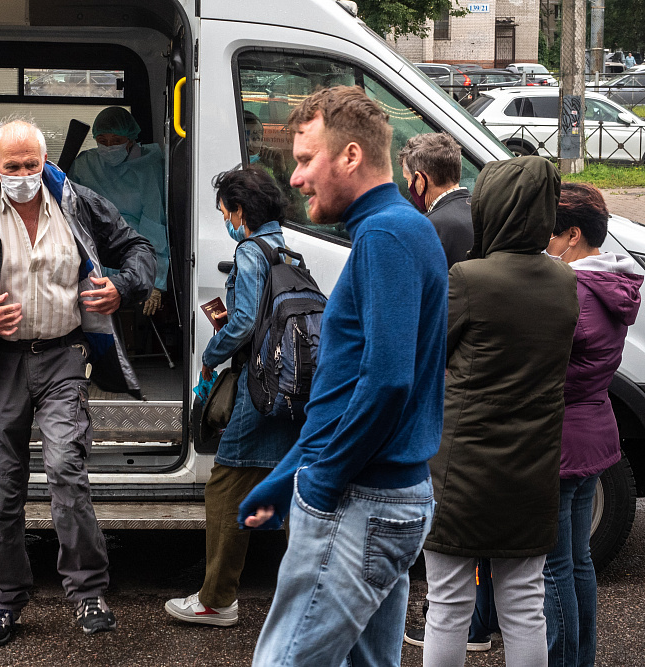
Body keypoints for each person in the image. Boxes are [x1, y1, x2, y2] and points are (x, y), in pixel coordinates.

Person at [0, 118, 155, 647]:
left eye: (31, 164)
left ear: (45, 162)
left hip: (63, 356)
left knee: (67, 468)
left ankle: (88, 593)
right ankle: (4, 602)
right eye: (12, 166)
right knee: (3, 488)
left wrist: (122, 287)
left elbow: (138, 250)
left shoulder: (79, 203)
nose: (22, 174)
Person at [238, 85, 449, 666]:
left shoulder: (384, 235)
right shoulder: (397, 229)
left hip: (361, 499)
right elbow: (343, 389)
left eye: (306, 160)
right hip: (379, 493)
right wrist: (286, 479)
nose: (297, 179)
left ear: (351, 156)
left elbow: (386, 382)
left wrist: (320, 484)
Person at [421, 156, 578, 667]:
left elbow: (428, 354)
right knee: (525, 604)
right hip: (531, 466)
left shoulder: (469, 277)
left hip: (463, 467)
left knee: (447, 602)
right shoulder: (564, 282)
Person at [164, 167, 308, 627]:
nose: (225, 219)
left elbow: (244, 322)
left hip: (259, 385)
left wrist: (210, 355)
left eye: (225, 210)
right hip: (290, 384)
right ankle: (308, 597)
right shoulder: (290, 251)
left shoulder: (249, 251)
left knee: (226, 485)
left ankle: (216, 599)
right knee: (287, 489)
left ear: (240, 211)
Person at [543, 182, 642, 666]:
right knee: (579, 560)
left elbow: (548, 370)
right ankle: (581, 657)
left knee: (555, 564)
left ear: (573, 236)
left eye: (551, 236)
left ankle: (564, 659)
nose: (546, 246)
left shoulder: (573, 291)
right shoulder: (613, 282)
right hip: (596, 431)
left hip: (564, 440)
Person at [398, 132, 490, 653]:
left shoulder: (433, 226)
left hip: (448, 381)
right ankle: (482, 617)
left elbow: (428, 317)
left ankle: (455, 622)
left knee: (450, 520)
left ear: (419, 178)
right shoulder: (479, 214)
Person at [69, 107, 167, 315]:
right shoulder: (84, 164)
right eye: (102, 141)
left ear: (130, 139)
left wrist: (154, 281)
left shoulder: (148, 167)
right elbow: (69, 213)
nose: (109, 146)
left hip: (133, 253)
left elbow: (154, 225)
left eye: (116, 140)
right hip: (92, 251)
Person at [398, 132, 474, 268]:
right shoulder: (482, 212)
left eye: (407, 179)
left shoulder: (426, 228)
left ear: (420, 180)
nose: (408, 186)